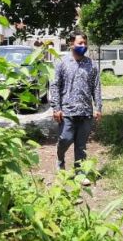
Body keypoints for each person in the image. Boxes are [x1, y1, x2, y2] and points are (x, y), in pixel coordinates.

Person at [50, 31, 102, 180]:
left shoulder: (91, 64)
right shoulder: (61, 62)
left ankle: (80, 173)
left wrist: (98, 107)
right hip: (67, 111)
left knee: (81, 145)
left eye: (85, 43)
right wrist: (56, 108)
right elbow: (55, 86)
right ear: (71, 44)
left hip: (85, 111)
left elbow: (96, 87)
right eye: (80, 43)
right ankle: (60, 160)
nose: (83, 46)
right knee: (65, 139)